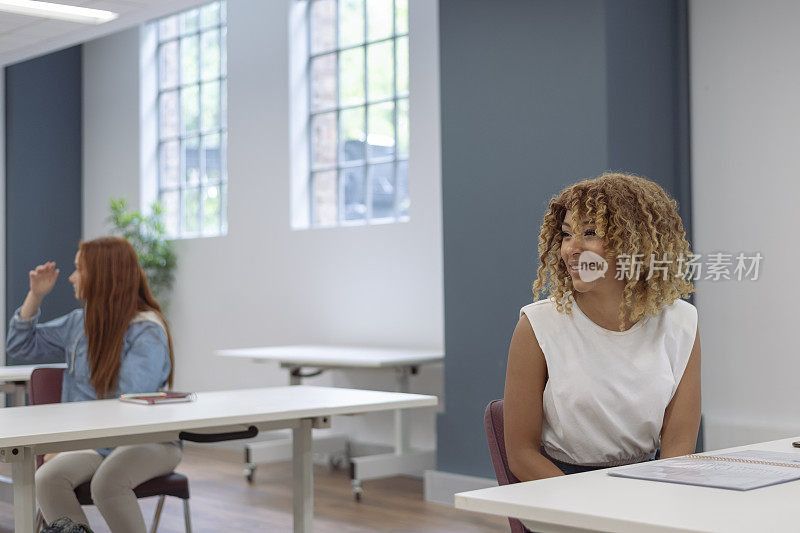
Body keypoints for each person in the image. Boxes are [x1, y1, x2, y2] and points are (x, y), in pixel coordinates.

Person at [504, 173, 701, 497]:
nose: (572, 248)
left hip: (650, 490)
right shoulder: (538, 324)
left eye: (590, 233)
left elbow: (678, 448)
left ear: (635, 241)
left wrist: (660, 506)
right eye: (567, 235)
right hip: (563, 494)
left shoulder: (681, 322)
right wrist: (593, 507)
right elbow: (521, 456)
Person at [6, 236, 180, 533]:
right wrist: (35, 296)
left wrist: (69, 444)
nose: (72, 277)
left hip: (148, 440)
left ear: (103, 275)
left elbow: (126, 409)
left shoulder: (146, 330)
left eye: (79, 269)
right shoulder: (79, 323)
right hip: (94, 444)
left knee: (108, 482)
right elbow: (19, 346)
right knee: (47, 477)